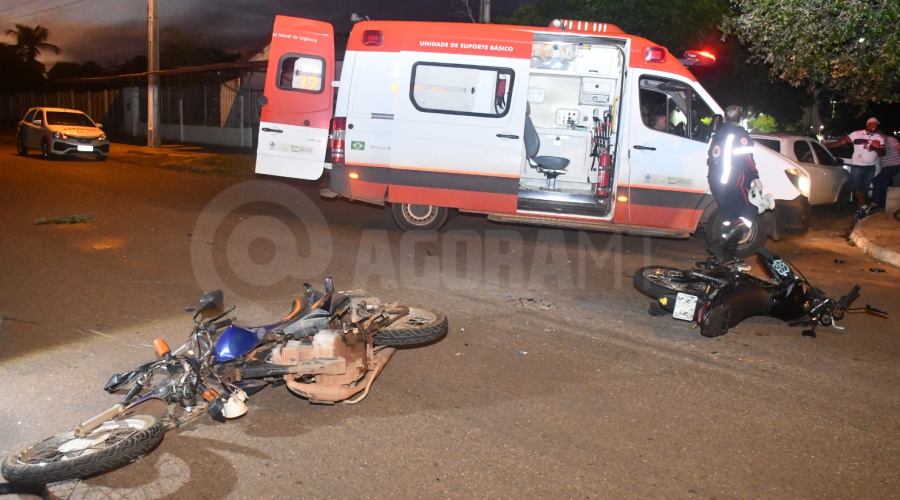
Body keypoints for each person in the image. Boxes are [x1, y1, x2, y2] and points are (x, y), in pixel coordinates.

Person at [706, 105, 763, 259]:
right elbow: (747, 160)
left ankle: (727, 257)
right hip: (733, 182)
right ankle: (721, 241)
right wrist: (756, 178)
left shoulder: (717, 135)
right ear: (741, 119)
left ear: (725, 118)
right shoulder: (740, 135)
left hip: (716, 182)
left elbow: (711, 159)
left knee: (730, 219)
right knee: (749, 213)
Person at [826, 117, 886, 219]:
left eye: (876, 125)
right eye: (872, 124)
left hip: (870, 167)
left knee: (863, 190)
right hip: (858, 165)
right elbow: (842, 142)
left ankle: (860, 212)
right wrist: (828, 146)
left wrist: (875, 148)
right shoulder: (856, 134)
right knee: (854, 187)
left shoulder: (879, 137)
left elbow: (883, 153)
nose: (874, 126)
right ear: (867, 124)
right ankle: (864, 205)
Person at [869, 133, 900, 214]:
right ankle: (883, 204)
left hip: (893, 165)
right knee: (883, 184)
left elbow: (898, 147)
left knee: (877, 180)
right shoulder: (879, 143)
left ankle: (875, 202)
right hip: (886, 167)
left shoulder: (890, 139)